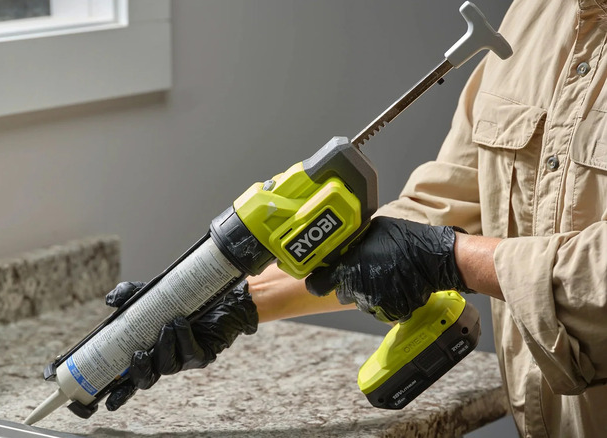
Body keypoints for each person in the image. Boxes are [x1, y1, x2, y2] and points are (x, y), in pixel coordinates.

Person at [103, 0, 607, 436]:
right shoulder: (537, 15)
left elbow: (438, 249)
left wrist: (448, 259)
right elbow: (444, 205)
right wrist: (229, 304)